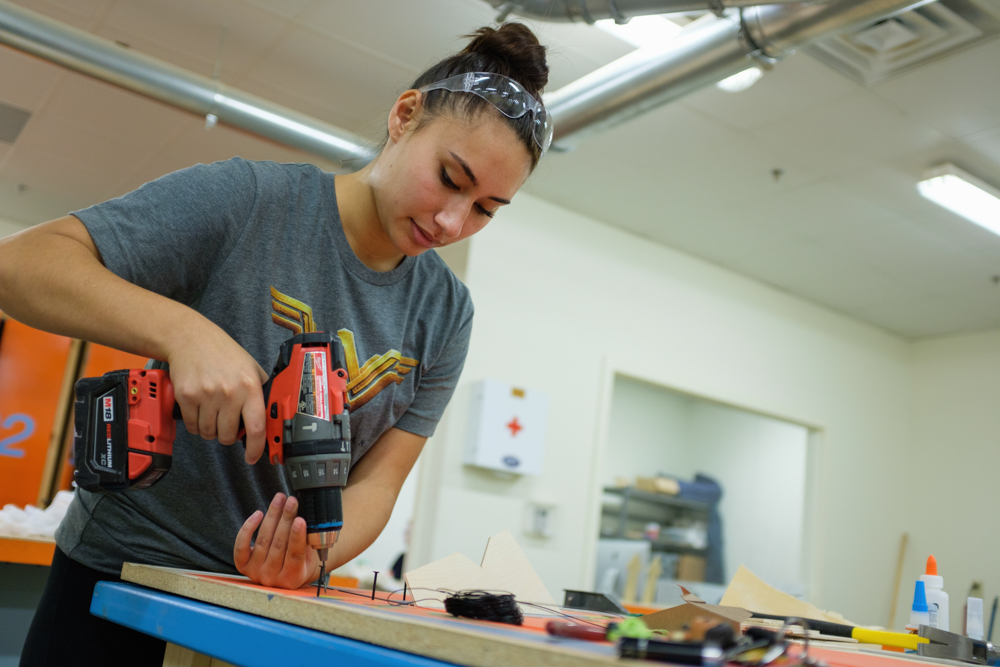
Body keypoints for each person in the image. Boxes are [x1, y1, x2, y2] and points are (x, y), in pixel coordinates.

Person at [0, 22, 551, 666]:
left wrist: (315, 552)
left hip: (263, 602)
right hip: (125, 575)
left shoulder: (447, 312)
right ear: (405, 116)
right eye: (451, 178)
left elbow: (379, 482)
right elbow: (22, 266)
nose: (453, 222)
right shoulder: (252, 201)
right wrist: (187, 334)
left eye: (486, 208)